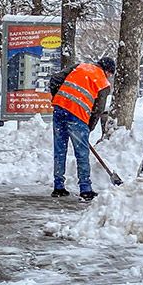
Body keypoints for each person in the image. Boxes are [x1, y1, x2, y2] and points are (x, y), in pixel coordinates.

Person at [49, 57, 115, 200]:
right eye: (110, 73)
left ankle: (58, 186)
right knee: (81, 154)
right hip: (77, 116)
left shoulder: (80, 66)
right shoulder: (104, 83)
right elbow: (98, 110)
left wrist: (58, 99)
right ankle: (85, 189)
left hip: (59, 110)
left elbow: (54, 79)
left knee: (60, 150)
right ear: (107, 71)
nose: (109, 76)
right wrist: (88, 128)